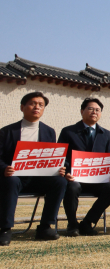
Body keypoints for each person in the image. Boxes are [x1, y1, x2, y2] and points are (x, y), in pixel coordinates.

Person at [0, 92, 67, 246]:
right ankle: (5, 228)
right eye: (32, 103)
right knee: (10, 181)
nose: (37, 107)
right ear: (22, 107)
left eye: (41, 105)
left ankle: (45, 227)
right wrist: (4, 168)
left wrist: (58, 168)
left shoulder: (49, 131)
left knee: (59, 182)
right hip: (14, 178)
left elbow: (50, 157)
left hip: (39, 178)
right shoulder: (7, 131)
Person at [58, 98, 110, 236]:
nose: (94, 112)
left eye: (97, 110)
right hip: (76, 178)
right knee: (72, 187)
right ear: (82, 111)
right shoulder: (68, 132)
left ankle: (87, 222)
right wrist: (67, 172)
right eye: (91, 109)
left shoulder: (106, 134)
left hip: (98, 179)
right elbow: (62, 157)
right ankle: (72, 224)